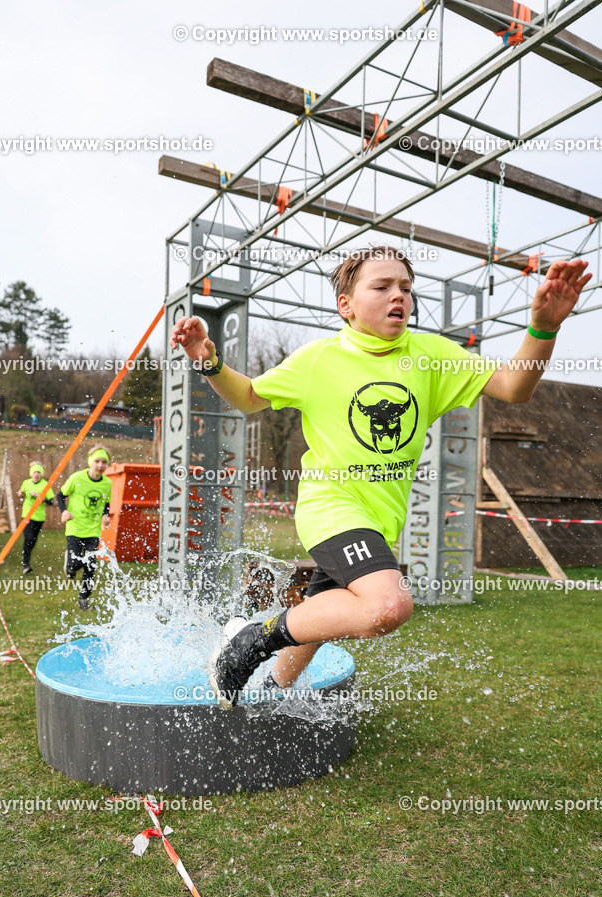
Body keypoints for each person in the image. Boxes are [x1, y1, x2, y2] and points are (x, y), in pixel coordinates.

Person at [170, 246, 591, 709]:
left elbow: (514, 386)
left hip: (380, 520)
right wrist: (208, 361)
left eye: (406, 289)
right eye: (383, 286)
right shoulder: (318, 360)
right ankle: (250, 640)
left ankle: (272, 692)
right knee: (386, 606)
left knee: (323, 616)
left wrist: (544, 327)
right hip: (331, 506)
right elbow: (249, 397)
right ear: (345, 305)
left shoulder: (431, 355)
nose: (400, 297)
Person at [57, 446, 112, 610]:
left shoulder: (107, 483)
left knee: (91, 565)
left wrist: (105, 515)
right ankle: (70, 565)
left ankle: (83, 598)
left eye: (104, 462)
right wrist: (64, 511)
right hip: (75, 527)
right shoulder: (77, 478)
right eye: (97, 461)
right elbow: (60, 495)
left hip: (94, 530)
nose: (100, 465)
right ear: (90, 461)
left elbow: (106, 503)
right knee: (75, 564)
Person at [18, 461, 54, 573]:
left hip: (39, 517)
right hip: (27, 515)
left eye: (39, 472)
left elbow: (51, 502)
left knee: (33, 540)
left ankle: (26, 556)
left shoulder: (45, 485)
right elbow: (22, 493)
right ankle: (26, 564)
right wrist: (21, 494)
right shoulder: (26, 482)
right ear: (31, 473)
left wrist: (39, 496)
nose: (36, 474)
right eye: (34, 472)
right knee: (28, 538)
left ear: (41, 474)